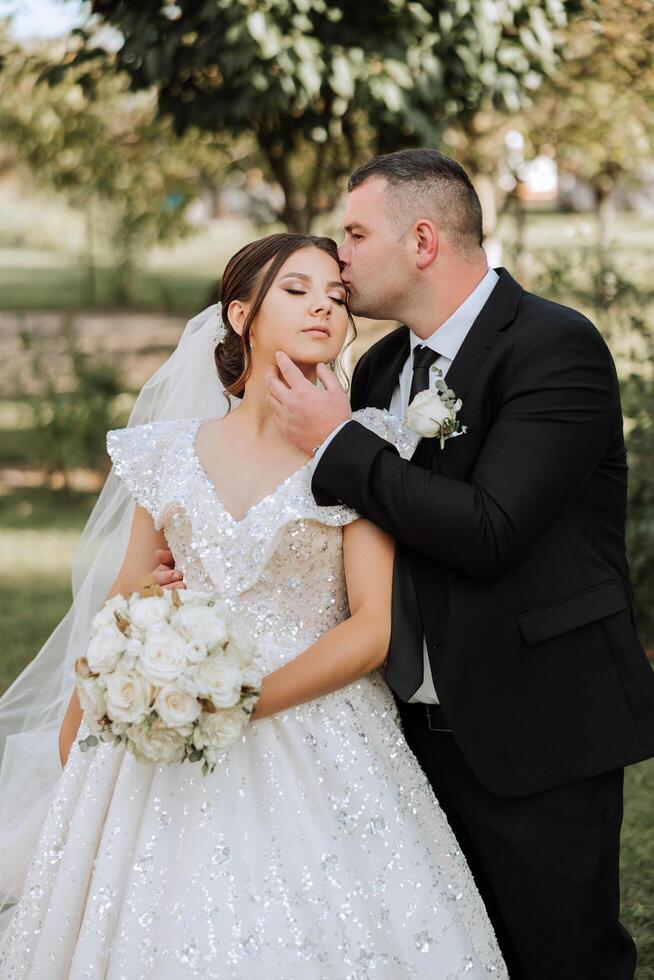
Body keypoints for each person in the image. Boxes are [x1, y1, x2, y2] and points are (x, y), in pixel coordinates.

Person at [0, 232, 507, 978]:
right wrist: (91, 715)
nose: (323, 308)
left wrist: (240, 702)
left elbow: (371, 629)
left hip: (318, 726)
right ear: (240, 314)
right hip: (163, 720)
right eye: (297, 290)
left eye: (336, 297)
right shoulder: (165, 452)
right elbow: (124, 602)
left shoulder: (360, 446)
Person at [266, 149, 654, 980]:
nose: (339, 257)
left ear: (423, 241)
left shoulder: (555, 347)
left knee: (560, 956)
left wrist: (337, 442)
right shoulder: (375, 369)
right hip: (404, 734)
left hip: (537, 723)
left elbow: (491, 529)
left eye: (355, 233)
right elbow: (350, 529)